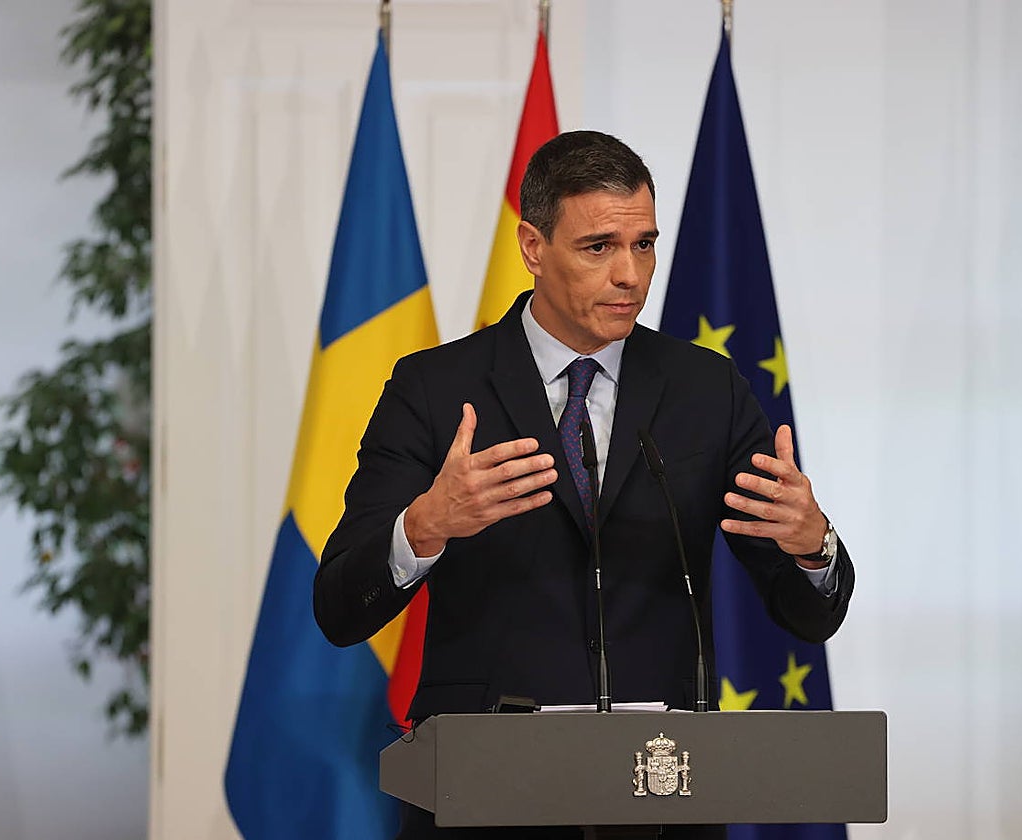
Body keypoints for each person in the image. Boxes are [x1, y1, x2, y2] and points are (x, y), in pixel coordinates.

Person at [314, 130, 854, 839]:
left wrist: (814, 547)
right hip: (485, 793)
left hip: (664, 793)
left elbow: (807, 614)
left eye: (644, 244)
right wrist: (424, 527)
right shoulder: (435, 388)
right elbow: (339, 609)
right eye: (599, 247)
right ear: (533, 247)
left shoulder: (707, 390)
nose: (630, 274)